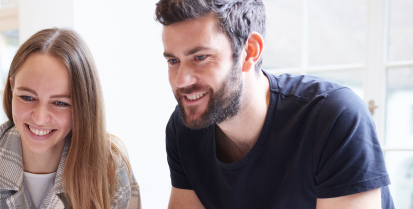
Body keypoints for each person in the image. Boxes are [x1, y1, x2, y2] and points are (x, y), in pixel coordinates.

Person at [155, 0, 394, 208]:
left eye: (200, 57)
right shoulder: (185, 127)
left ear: (250, 51)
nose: (181, 80)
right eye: (173, 60)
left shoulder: (334, 117)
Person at [0, 28, 141, 209]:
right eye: (27, 98)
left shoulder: (111, 164)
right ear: (12, 87)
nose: (40, 118)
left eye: (60, 103)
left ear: (83, 104)